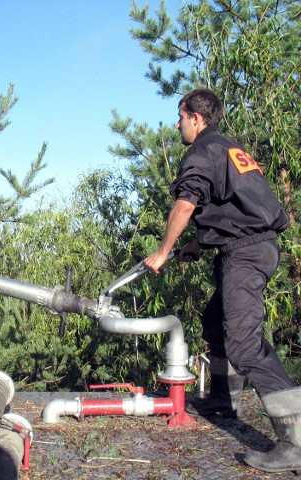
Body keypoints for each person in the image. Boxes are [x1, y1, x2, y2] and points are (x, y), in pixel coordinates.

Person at [143, 88, 301, 474]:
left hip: (245, 253)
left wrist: (163, 251)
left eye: (180, 117)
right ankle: (223, 400)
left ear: (196, 118)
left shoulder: (201, 150)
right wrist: (198, 243)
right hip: (252, 246)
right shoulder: (230, 149)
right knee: (216, 322)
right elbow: (235, 206)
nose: (177, 124)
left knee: (245, 345)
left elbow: (186, 202)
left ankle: (296, 440)